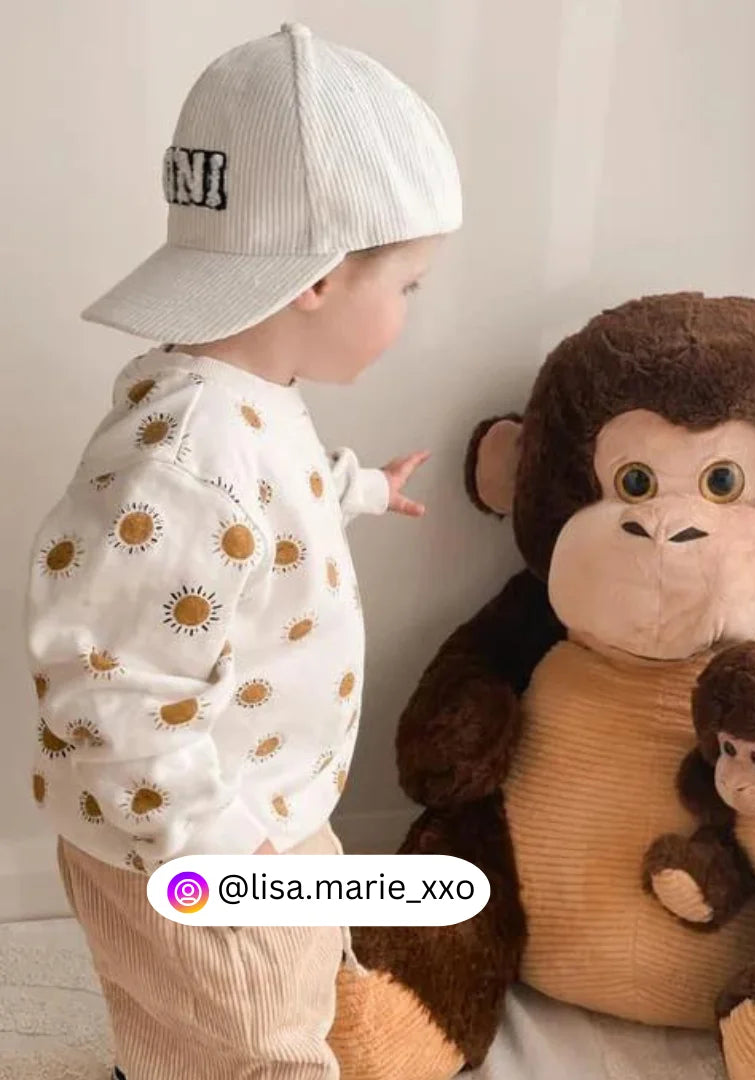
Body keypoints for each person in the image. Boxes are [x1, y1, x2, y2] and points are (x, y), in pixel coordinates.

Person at [23, 22, 460, 1079]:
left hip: (235, 803)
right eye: (406, 286)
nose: (410, 310)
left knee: (199, 1019)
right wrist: (220, 854)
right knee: (252, 1034)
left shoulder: (236, 402)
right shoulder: (189, 456)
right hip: (192, 832)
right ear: (316, 281)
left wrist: (352, 487)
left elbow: (245, 525)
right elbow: (106, 679)